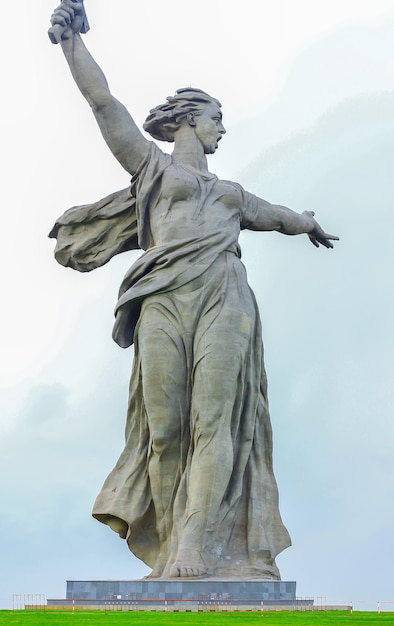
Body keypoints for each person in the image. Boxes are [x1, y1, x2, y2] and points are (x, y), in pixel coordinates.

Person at [49, 1, 338, 579]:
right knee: (166, 427)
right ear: (188, 120)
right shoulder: (153, 170)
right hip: (162, 296)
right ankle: (173, 539)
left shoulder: (231, 192)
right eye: (216, 117)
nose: (222, 127)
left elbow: (280, 216)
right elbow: (104, 104)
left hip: (224, 296)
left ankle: (195, 550)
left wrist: (307, 222)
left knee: (215, 419)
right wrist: (70, 43)